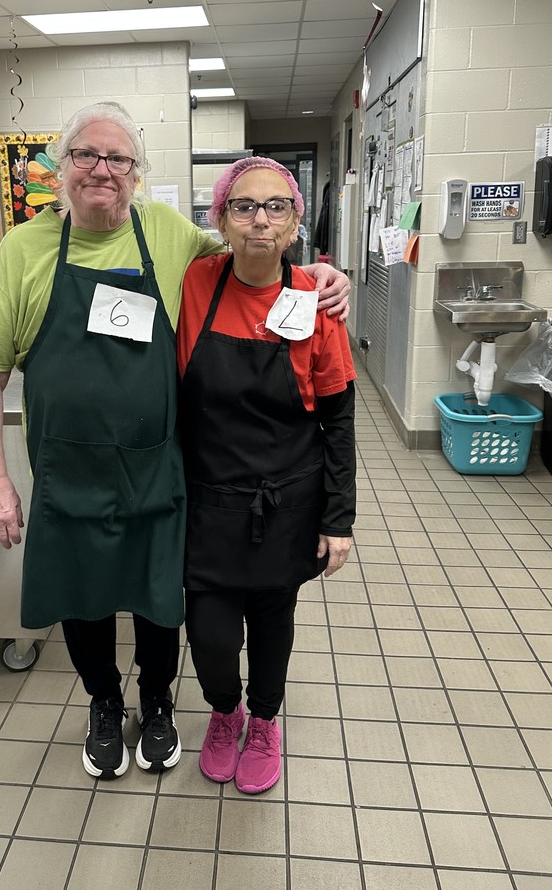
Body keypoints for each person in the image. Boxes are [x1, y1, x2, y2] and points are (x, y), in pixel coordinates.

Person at [0, 102, 350, 783]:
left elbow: (251, 255)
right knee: (82, 603)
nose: (101, 170)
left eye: (117, 159)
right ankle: (105, 703)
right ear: (59, 172)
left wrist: (320, 275)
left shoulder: (166, 234)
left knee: (158, 600)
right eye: (85, 156)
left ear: (136, 175)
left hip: (155, 472)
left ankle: (158, 703)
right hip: (67, 473)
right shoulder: (23, 250)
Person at [177, 156, 356, 794]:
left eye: (276, 206)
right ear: (221, 220)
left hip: (288, 500)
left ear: (294, 222)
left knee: (273, 622)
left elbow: (338, 418)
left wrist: (338, 519)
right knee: (212, 633)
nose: (260, 218)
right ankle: (224, 712)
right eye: (244, 206)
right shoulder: (195, 282)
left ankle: (265, 719)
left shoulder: (315, 299)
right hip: (210, 500)